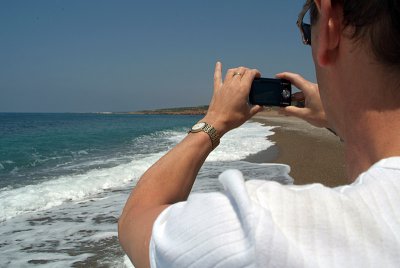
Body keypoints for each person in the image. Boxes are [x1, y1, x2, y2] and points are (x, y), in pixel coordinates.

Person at [119, 0, 400, 267]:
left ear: (329, 23)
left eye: (307, 32)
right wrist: (340, 117)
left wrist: (213, 122)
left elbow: (135, 220)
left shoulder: (258, 232)